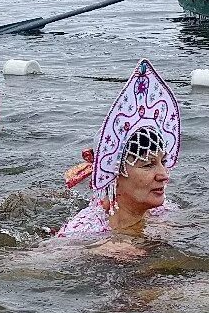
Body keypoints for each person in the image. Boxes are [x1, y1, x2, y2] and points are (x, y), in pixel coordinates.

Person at [57, 59, 179, 240]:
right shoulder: (83, 233)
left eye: (164, 162)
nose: (164, 175)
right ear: (114, 176)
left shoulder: (161, 211)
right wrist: (93, 253)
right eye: (147, 165)